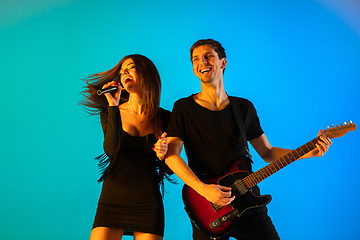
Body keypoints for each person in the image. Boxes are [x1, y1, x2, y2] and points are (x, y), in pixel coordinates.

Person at [164, 39, 332, 240]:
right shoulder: (183, 108)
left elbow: (267, 152)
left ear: (223, 62)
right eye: (196, 59)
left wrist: (307, 152)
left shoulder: (243, 108)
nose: (202, 62)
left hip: (248, 201)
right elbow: (171, 156)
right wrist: (204, 190)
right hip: (208, 206)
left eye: (208, 56)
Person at [80, 54, 173, 240]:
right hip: (113, 199)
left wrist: (163, 157)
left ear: (146, 74)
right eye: (122, 71)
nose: (125, 73)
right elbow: (111, 150)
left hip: (148, 202)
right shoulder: (109, 112)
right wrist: (113, 105)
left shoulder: (166, 118)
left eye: (130, 68)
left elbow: (170, 169)